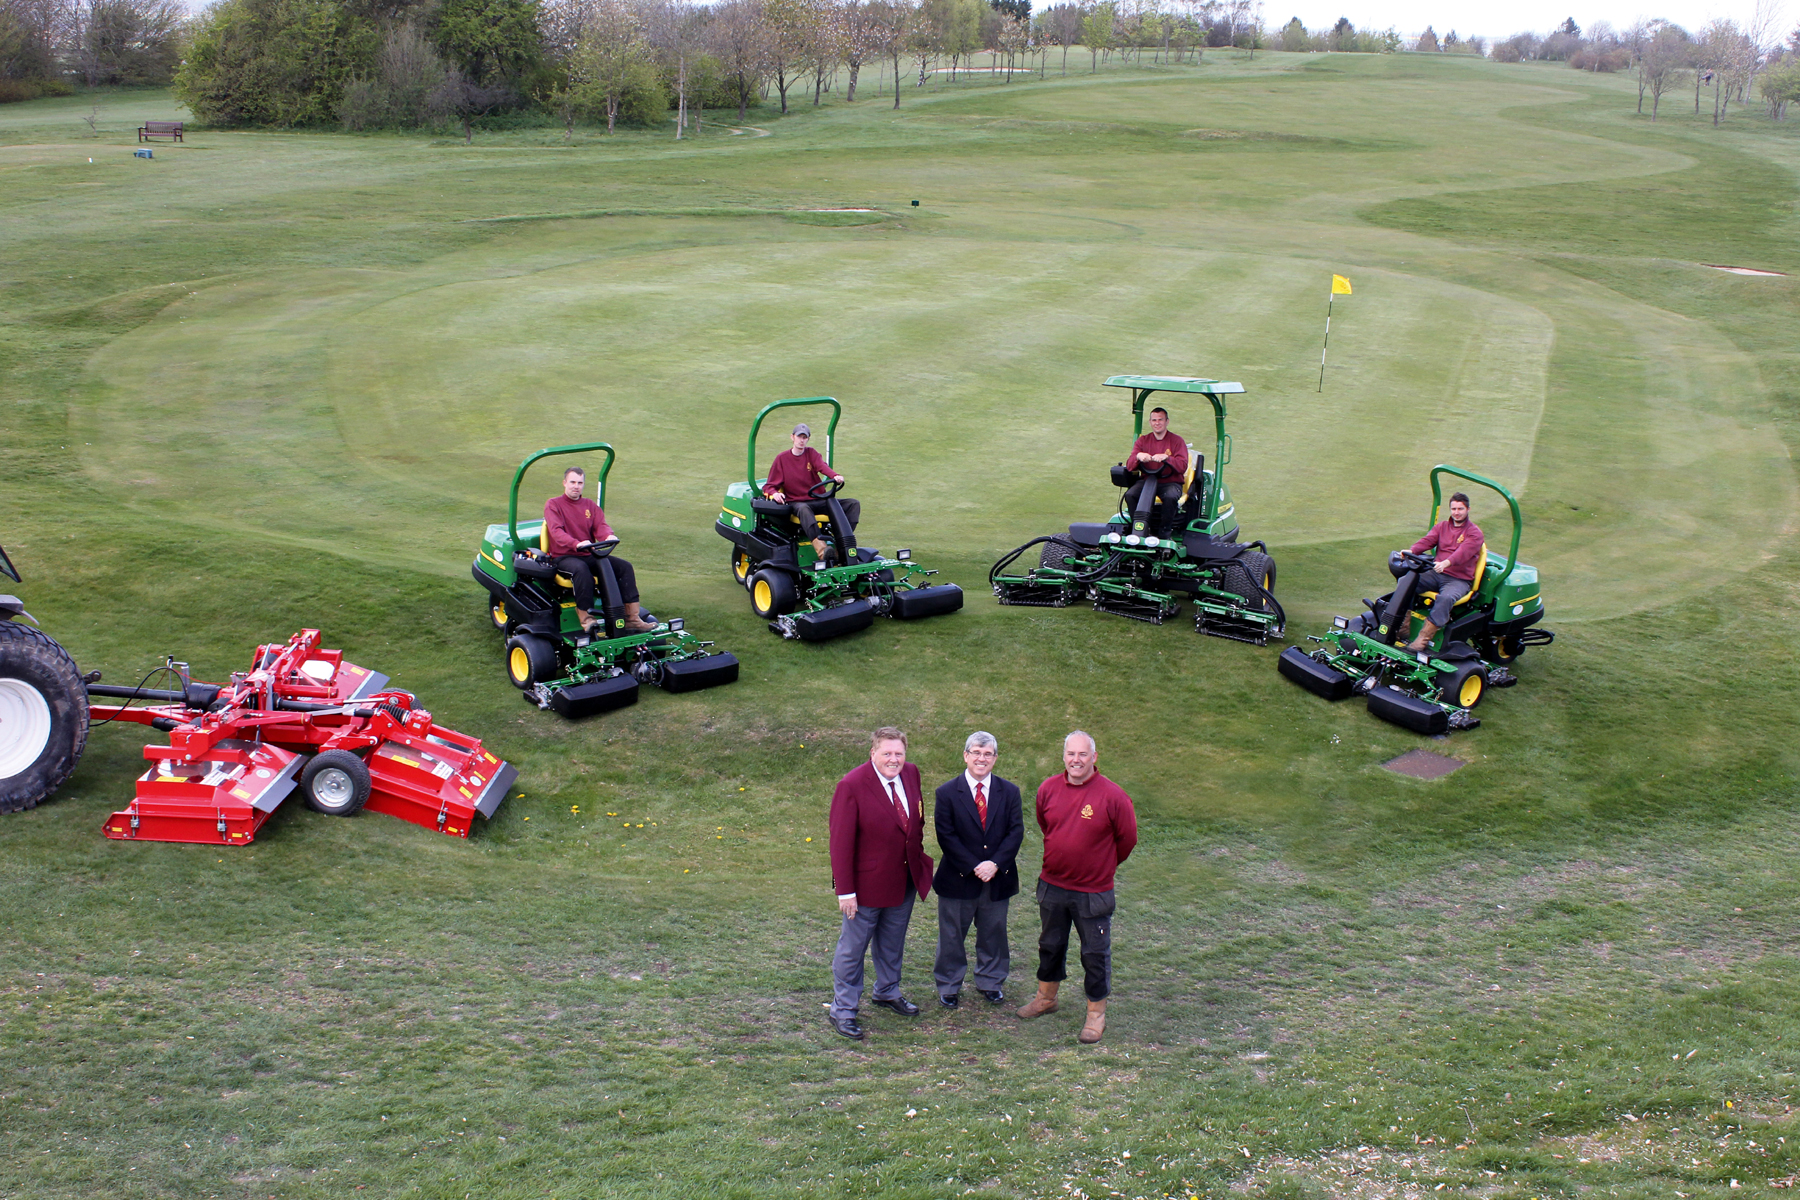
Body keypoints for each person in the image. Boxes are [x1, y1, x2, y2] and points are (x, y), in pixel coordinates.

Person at [1017, 731, 1137, 1045]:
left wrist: (1101, 866)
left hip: (1092, 892)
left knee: (1094, 954)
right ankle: (1046, 998)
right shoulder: (1048, 789)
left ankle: (1096, 1013)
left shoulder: (1113, 796)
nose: (1076, 760)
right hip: (1053, 886)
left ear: (1094, 757)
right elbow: (1046, 825)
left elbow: (1127, 841)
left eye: (1083, 754)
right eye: (1071, 754)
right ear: (1064, 756)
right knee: (1050, 945)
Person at [827, 726, 934, 1041]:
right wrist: (845, 892)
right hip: (865, 887)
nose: (894, 759)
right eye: (887, 753)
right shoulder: (852, 786)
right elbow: (840, 843)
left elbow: (917, 819)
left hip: (904, 880)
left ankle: (887, 991)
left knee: (892, 942)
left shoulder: (911, 774)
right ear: (872, 753)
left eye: (899, 753)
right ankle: (843, 1010)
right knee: (853, 949)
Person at [931, 731, 1024, 1009]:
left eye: (987, 754)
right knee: (951, 935)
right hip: (958, 878)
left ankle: (990, 981)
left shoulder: (1009, 792)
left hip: (997, 878)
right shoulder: (947, 792)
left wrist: (995, 863)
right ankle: (948, 984)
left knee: (993, 933)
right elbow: (946, 835)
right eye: (976, 753)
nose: (981, 759)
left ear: (995, 758)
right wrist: (974, 866)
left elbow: (1015, 832)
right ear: (965, 756)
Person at [543, 466, 655, 635]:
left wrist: (608, 536)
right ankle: (586, 618)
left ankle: (631, 618)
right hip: (564, 556)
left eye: (580, 483)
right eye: (572, 482)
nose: (576, 486)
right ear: (564, 483)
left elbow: (600, 526)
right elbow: (556, 532)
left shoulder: (589, 506)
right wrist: (576, 543)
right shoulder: (553, 504)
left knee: (624, 567)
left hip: (587, 553)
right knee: (581, 571)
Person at [763, 423, 862, 563]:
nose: (802, 440)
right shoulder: (782, 459)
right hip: (797, 501)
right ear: (792, 437)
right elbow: (769, 486)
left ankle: (841, 544)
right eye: (799, 437)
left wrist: (835, 476)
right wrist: (775, 494)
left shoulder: (812, 454)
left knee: (852, 504)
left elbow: (822, 466)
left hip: (817, 499)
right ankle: (822, 550)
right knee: (804, 509)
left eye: (805, 437)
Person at [1403, 491, 1484, 650]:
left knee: (1446, 598)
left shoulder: (1474, 533)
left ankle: (1423, 639)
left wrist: (1446, 562)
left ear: (1468, 509)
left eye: (1460, 509)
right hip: (1437, 573)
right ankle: (1402, 627)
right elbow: (1428, 541)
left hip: (1459, 579)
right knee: (1406, 582)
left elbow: (1463, 553)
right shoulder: (1442, 527)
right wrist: (1413, 551)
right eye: (1453, 509)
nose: (1456, 512)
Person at [1123, 407, 1189, 537]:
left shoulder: (1177, 441)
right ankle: (1140, 529)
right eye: (1154, 420)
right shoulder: (1143, 441)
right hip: (1148, 481)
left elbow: (1182, 466)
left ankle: (1164, 531)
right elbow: (1130, 466)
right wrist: (1138, 456)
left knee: (1170, 497)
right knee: (1130, 495)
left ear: (1167, 422)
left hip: (1170, 482)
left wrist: (1167, 458)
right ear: (1150, 422)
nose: (1157, 423)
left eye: (1160, 420)